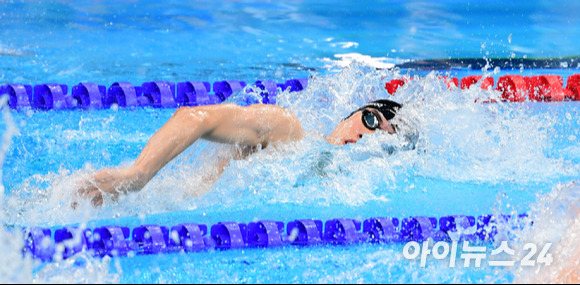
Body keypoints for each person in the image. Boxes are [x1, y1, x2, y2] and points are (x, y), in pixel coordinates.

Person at [77, 99, 402, 206]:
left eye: (380, 139)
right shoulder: (289, 131)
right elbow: (194, 116)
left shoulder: (338, 193)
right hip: (126, 197)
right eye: (370, 119)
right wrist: (138, 174)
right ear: (350, 114)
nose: (364, 134)